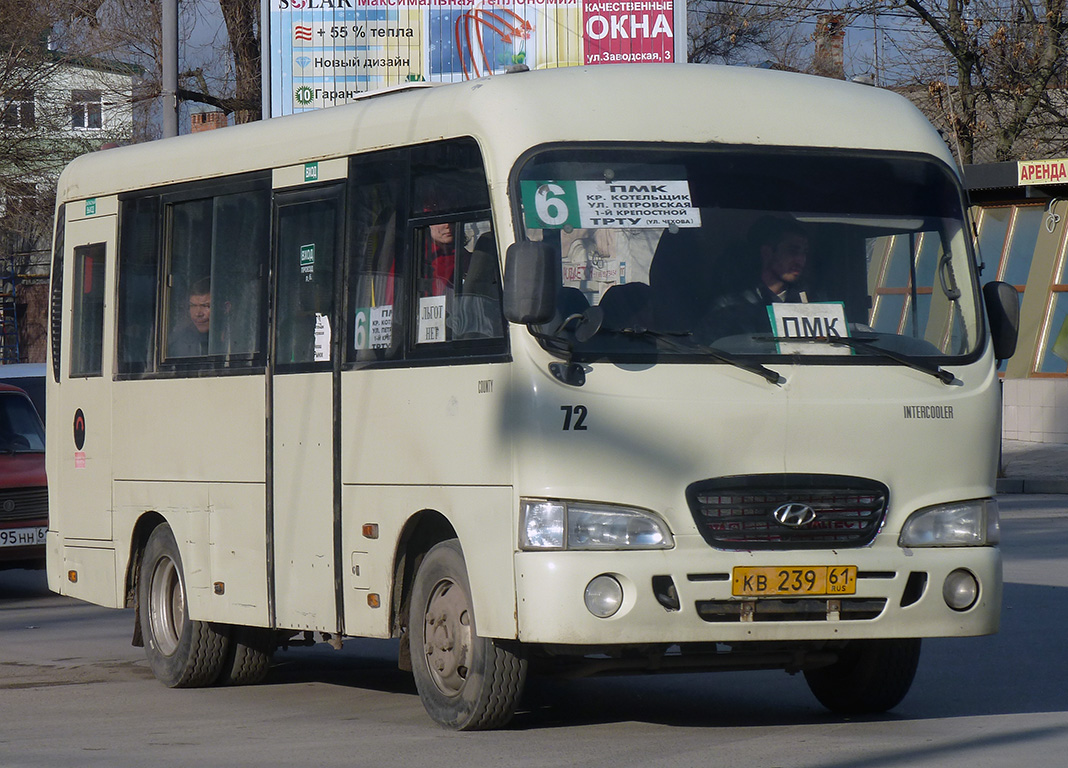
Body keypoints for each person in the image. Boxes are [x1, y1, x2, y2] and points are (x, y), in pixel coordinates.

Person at [707, 217, 817, 336]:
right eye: (792, 251)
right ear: (767, 252)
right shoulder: (729, 307)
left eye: (804, 252)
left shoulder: (813, 301)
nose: (801, 260)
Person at [168, 277, 211, 357]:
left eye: (206, 306)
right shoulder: (179, 346)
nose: (198, 313)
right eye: (193, 306)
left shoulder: (238, 342)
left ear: (226, 308)